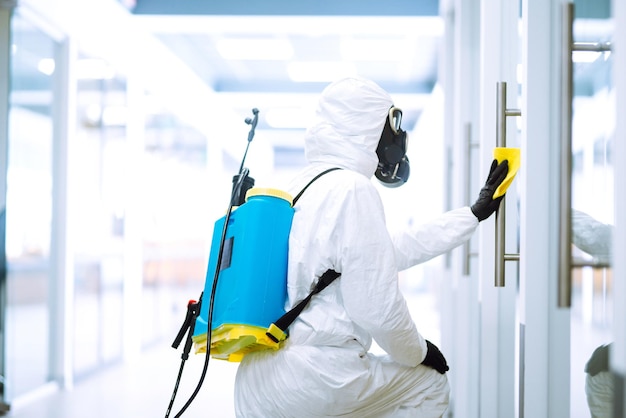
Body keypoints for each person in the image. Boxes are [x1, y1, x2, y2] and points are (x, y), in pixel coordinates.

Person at [234, 77, 509, 418]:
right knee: (429, 384)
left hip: (257, 380)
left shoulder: (303, 185)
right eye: (390, 126)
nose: (396, 138)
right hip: (313, 378)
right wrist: (418, 352)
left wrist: (471, 216)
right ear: (366, 128)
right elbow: (377, 309)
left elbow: (392, 250)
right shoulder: (352, 189)